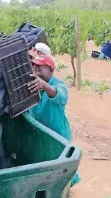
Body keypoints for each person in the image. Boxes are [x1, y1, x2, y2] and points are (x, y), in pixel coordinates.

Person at [27, 54, 81, 187]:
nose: (36, 70)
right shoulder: (34, 85)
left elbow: (61, 96)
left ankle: (68, 185)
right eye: (34, 67)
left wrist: (44, 86)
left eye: (40, 68)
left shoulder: (57, 84)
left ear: (50, 70)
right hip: (42, 135)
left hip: (58, 134)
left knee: (62, 166)